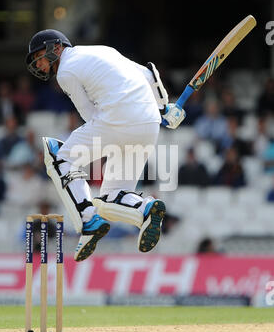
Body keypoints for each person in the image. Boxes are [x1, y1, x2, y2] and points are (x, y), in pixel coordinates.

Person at [26, 29, 186, 261]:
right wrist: (165, 107)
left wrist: (99, 144)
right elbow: (149, 74)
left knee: (58, 156)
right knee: (111, 198)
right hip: (148, 124)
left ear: (57, 47)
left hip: (119, 119)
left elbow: (89, 114)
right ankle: (145, 210)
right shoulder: (103, 50)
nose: (40, 64)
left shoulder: (66, 72)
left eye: (40, 56)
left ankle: (88, 220)